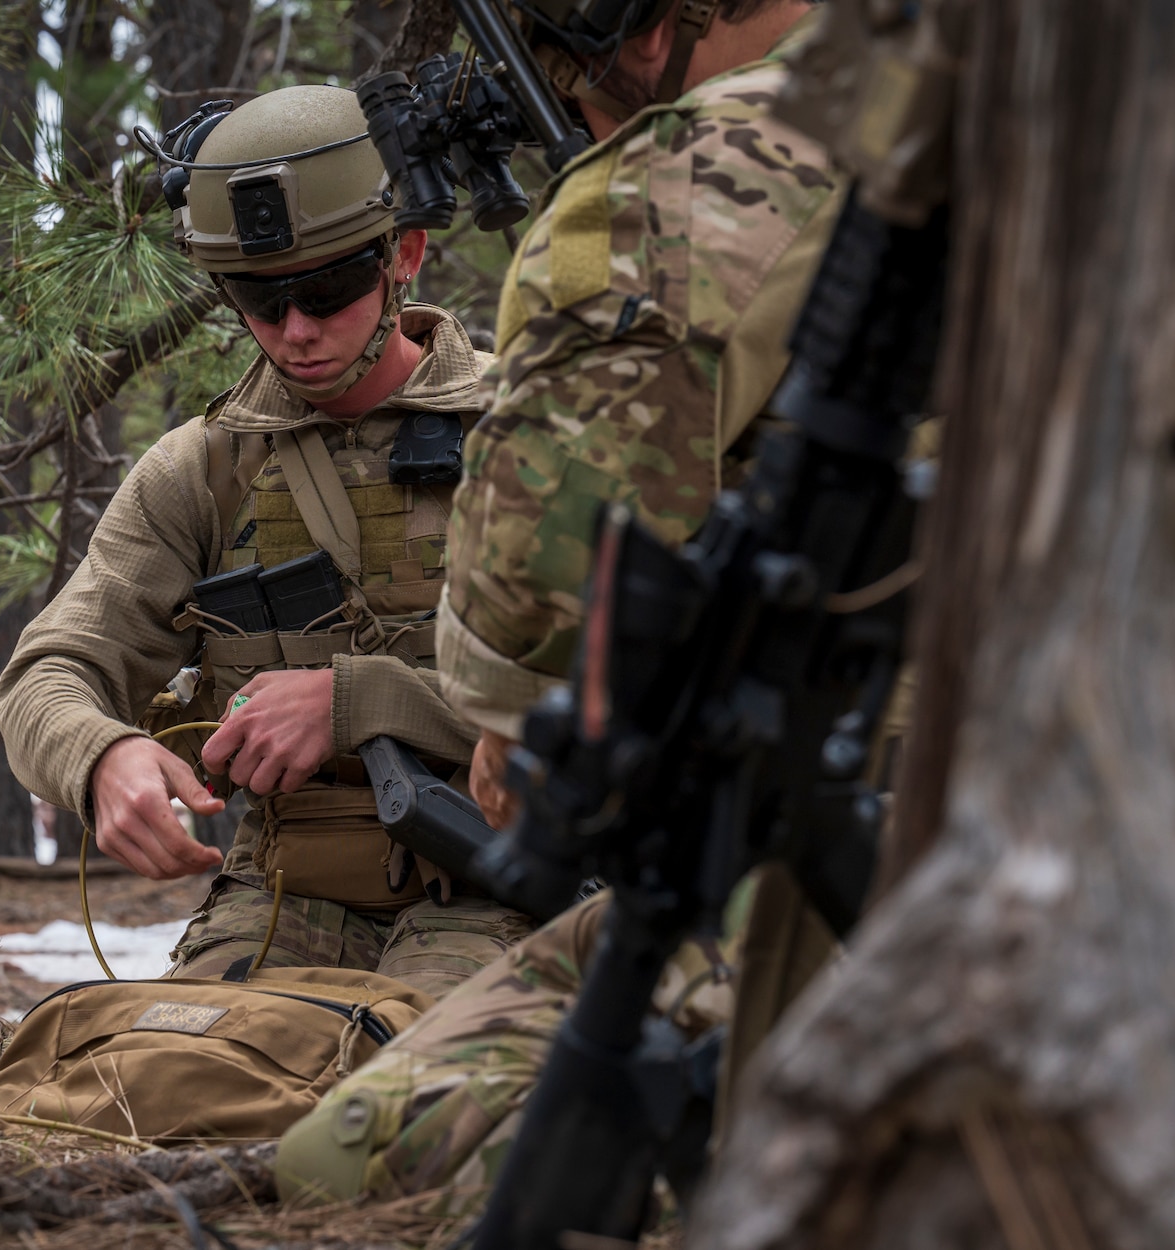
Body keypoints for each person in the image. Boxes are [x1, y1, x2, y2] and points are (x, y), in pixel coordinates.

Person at [274, 0, 856, 1207]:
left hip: (868, 850)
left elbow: (542, 578)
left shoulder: (695, 176)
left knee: (347, 1162)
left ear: (635, 31)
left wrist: (503, 719)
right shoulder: (998, 95)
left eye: (552, 80)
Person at [0, 84, 533, 1001]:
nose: (296, 331)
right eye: (258, 297)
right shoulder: (203, 472)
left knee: (406, 1090)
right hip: (287, 890)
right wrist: (101, 758)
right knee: (177, 1078)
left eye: (328, 290)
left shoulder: (532, 437)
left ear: (405, 255)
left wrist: (361, 702)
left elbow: (629, 698)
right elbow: (49, 670)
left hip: (510, 877)